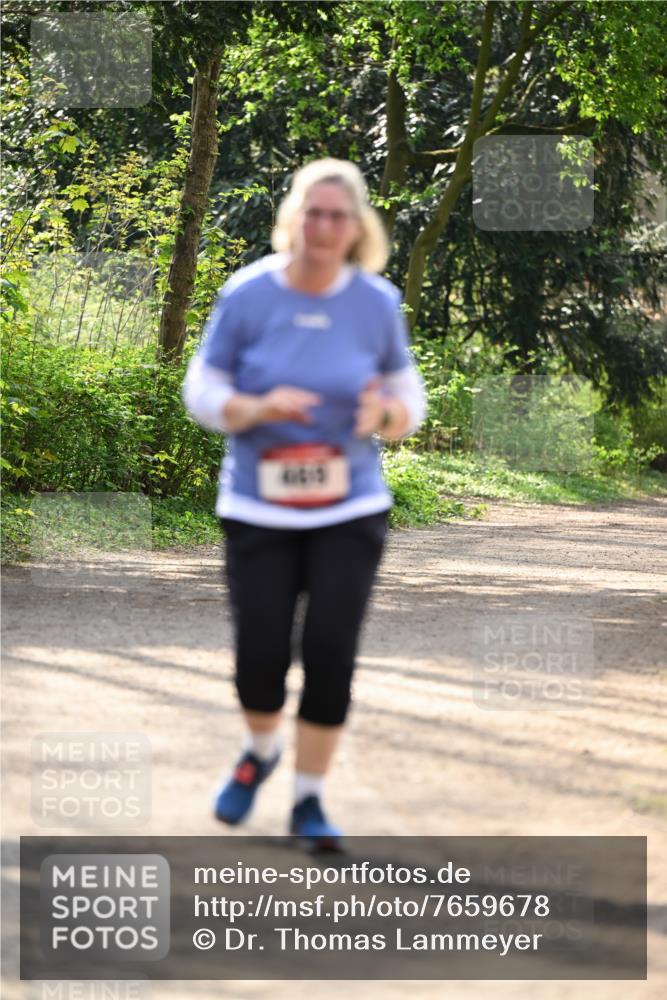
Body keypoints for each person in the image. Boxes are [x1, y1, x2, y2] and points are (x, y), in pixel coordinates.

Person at [182, 157, 427, 849]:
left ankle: (309, 802)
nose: (322, 227)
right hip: (258, 507)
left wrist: (384, 414)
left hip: (348, 507)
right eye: (312, 213)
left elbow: (407, 399)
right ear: (294, 218)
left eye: (337, 216)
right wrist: (253, 406)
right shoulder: (249, 293)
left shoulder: (374, 303)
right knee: (259, 654)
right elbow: (201, 387)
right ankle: (260, 751)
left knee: (329, 650)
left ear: (356, 229)